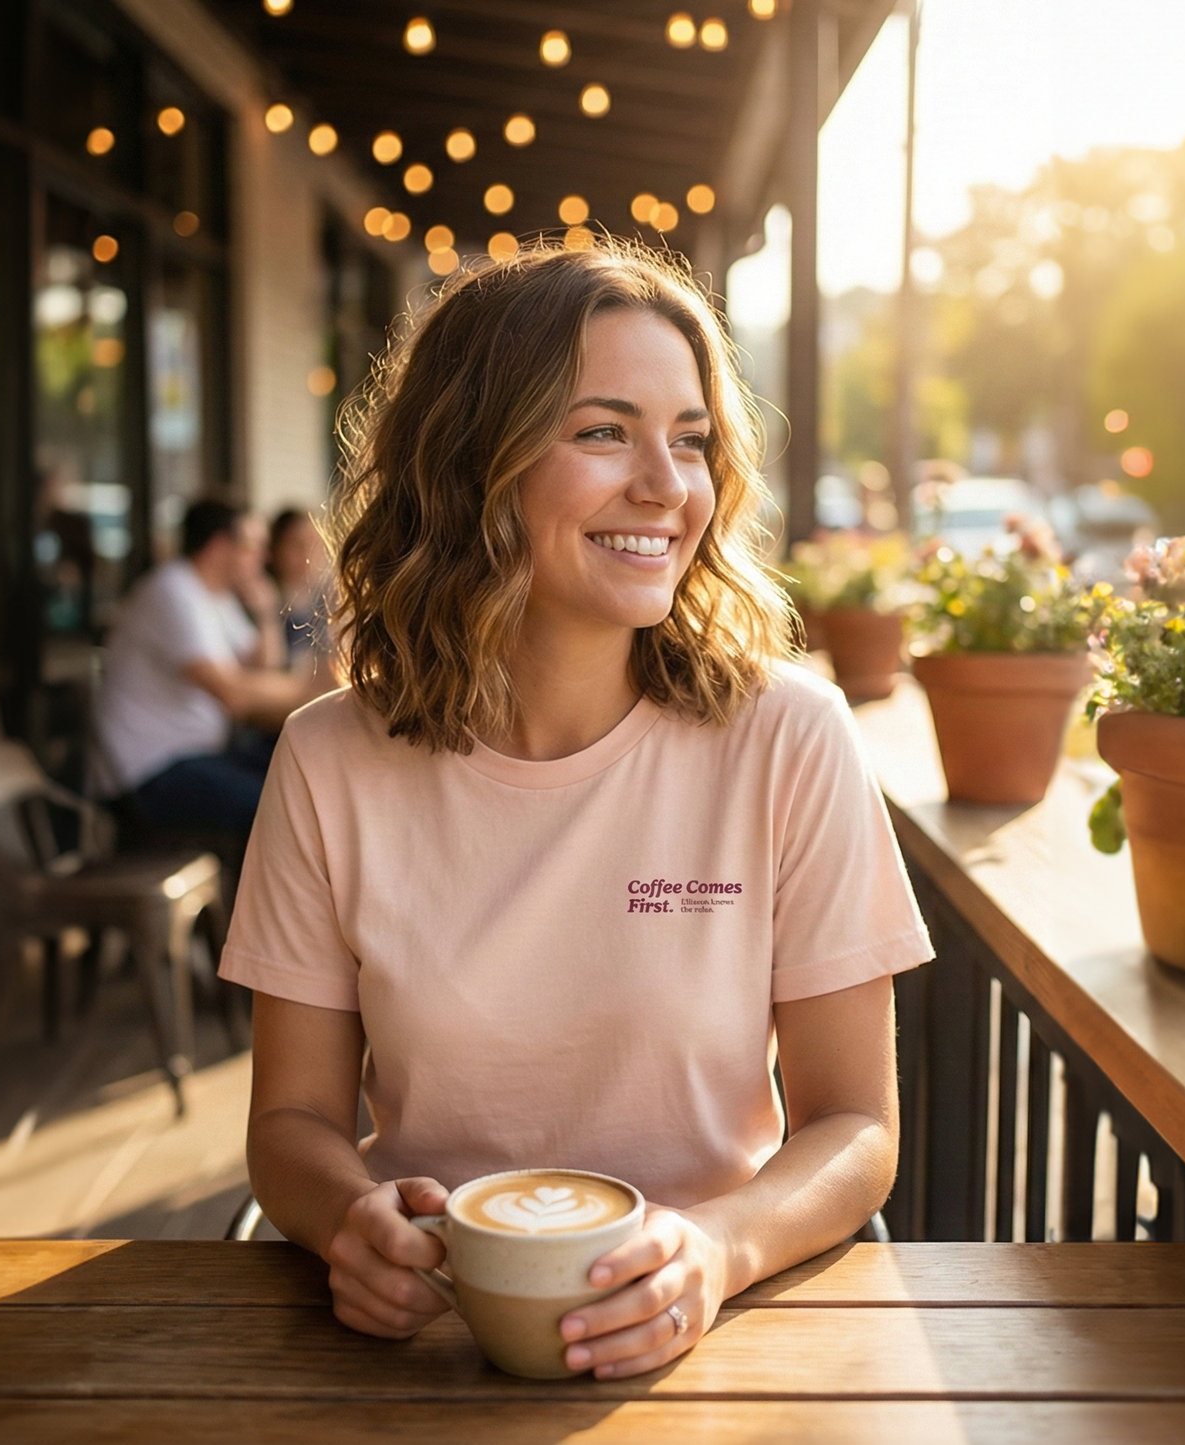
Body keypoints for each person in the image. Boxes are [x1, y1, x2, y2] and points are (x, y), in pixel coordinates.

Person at [219, 243, 932, 1380]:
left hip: (714, 1335)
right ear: (471, 462)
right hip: (421, 1352)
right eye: (603, 430)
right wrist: (346, 1216)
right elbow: (289, 1124)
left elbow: (855, 1125)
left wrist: (717, 1246)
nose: (665, 484)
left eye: (690, 439)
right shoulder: (329, 759)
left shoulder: (787, 737)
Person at [92, 499, 315, 839]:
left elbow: (263, 667)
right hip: (150, 772)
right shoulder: (173, 590)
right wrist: (314, 692)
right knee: (280, 808)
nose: (263, 558)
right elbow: (235, 695)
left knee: (296, 774)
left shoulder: (214, 595)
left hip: (197, 755)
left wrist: (268, 613)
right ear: (219, 547)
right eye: (252, 546)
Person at [267, 507, 329, 670]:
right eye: (297, 545)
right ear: (275, 548)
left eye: (314, 544)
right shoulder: (263, 597)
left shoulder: (328, 601)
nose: (308, 554)